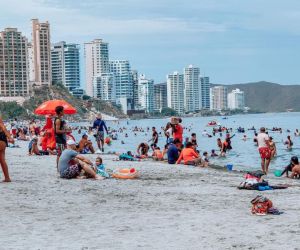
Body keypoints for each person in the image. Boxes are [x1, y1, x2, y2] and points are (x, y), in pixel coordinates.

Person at [0, 117, 14, 182]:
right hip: (3, 140)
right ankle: (7, 178)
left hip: (1, 139)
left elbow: (3, 127)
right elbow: (3, 127)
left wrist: (10, 137)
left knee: (2, 159)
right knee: (2, 160)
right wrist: (10, 138)